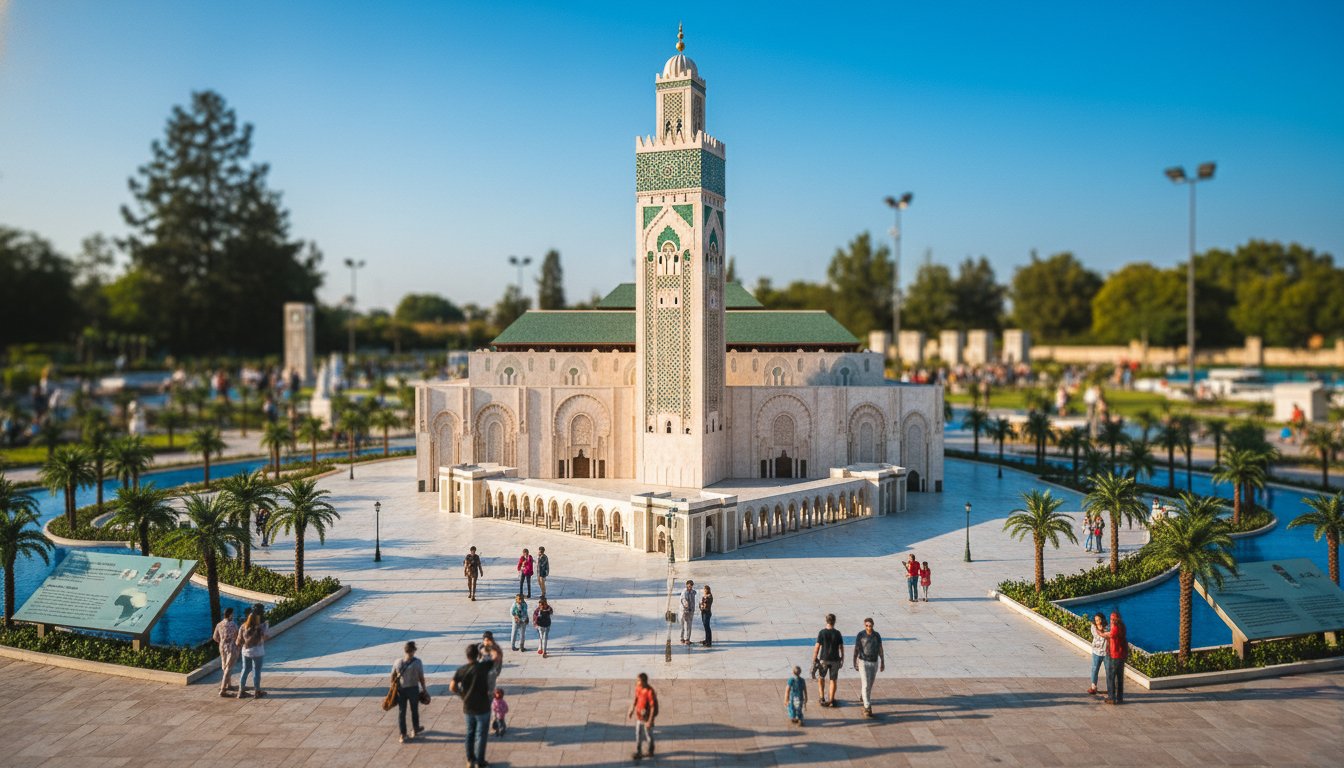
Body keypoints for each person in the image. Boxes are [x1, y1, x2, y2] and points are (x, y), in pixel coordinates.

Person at [450, 643, 493, 768]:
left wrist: (462, 695)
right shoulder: (484, 667)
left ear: (467, 656)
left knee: (470, 733)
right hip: (483, 706)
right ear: (477, 655)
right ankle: (480, 762)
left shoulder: (461, 670)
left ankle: (470, 760)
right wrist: (486, 650)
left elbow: (452, 687)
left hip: (468, 706)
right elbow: (495, 657)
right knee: (481, 735)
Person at [392, 641, 428, 743]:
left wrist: (393, 689)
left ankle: (402, 735)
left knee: (401, 712)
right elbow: (421, 678)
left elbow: (392, 676)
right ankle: (415, 729)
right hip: (413, 689)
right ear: (413, 651)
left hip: (401, 690)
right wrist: (424, 690)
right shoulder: (417, 662)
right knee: (414, 710)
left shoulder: (397, 662)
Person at [852, 617, 885, 717]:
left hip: (874, 662)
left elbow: (880, 648)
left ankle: (863, 696)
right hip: (863, 661)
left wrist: (883, 661)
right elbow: (856, 648)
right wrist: (854, 661)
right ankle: (867, 706)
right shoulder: (861, 635)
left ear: (873, 625)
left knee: (870, 683)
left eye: (870, 626)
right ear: (864, 625)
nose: (868, 628)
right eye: (867, 626)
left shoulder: (876, 635)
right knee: (866, 683)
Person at [811, 613, 844, 707]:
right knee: (833, 680)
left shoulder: (822, 632)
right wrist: (842, 658)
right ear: (834, 621)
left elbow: (817, 647)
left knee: (821, 678)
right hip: (835, 660)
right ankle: (831, 700)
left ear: (826, 621)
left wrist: (814, 658)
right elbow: (841, 647)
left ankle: (822, 698)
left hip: (824, 659)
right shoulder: (837, 633)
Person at [237, 607, 268, 699]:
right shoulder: (259, 628)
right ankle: (257, 691)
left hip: (245, 652)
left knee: (245, 670)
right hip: (258, 652)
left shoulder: (243, 627)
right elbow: (265, 637)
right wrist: (266, 626)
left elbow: (238, 641)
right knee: (256, 671)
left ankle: (241, 691)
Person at [627, 672, 658, 761]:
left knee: (648, 735)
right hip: (639, 717)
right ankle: (638, 751)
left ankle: (650, 750)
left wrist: (650, 720)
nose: (637, 682)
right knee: (638, 734)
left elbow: (652, 707)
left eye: (639, 681)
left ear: (644, 681)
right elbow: (636, 698)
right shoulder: (638, 688)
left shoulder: (649, 691)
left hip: (647, 718)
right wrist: (632, 709)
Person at [212, 607, 239, 697]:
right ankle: (223, 689)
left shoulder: (219, 624)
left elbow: (215, 637)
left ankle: (229, 685)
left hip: (222, 647)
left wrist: (222, 641)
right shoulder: (233, 625)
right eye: (233, 614)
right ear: (230, 614)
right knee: (229, 667)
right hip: (231, 647)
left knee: (225, 666)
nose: (233, 615)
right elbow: (237, 636)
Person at [1103, 610, 1128, 704]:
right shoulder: (1123, 627)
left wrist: (1100, 632)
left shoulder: (1115, 628)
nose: (1111, 621)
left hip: (1115, 655)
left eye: (1112, 619)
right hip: (1122, 655)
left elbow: (1109, 635)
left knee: (1111, 677)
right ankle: (1120, 698)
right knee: (1120, 677)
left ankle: (1111, 697)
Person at [1087, 613, 1108, 696]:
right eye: (1096, 620)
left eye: (1099, 620)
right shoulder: (1093, 627)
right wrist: (1103, 632)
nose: (1098, 622)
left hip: (1107, 653)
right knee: (1095, 669)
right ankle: (1093, 687)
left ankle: (1110, 688)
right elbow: (1099, 636)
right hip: (1097, 652)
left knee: (1108, 671)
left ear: (1102, 619)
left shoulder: (1108, 627)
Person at [481, 631, 503, 695]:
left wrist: (496, 672)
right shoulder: (481, 649)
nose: (486, 642)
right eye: (485, 640)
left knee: (490, 692)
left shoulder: (496, 650)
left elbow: (499, 663)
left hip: (491, 673)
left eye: (488, 640)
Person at [678, 579, 696, 645]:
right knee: (683, 626)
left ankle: (687, 639)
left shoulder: (692, 592)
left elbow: (694, 592)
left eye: (691, 587)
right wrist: (686, 606)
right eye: (689, 586)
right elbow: (684, 601)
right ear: (686, 585)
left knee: (689, 625)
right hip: (684, 611)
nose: (690, 588)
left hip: (690, 611)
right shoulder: (684, 593)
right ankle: (683, 639)